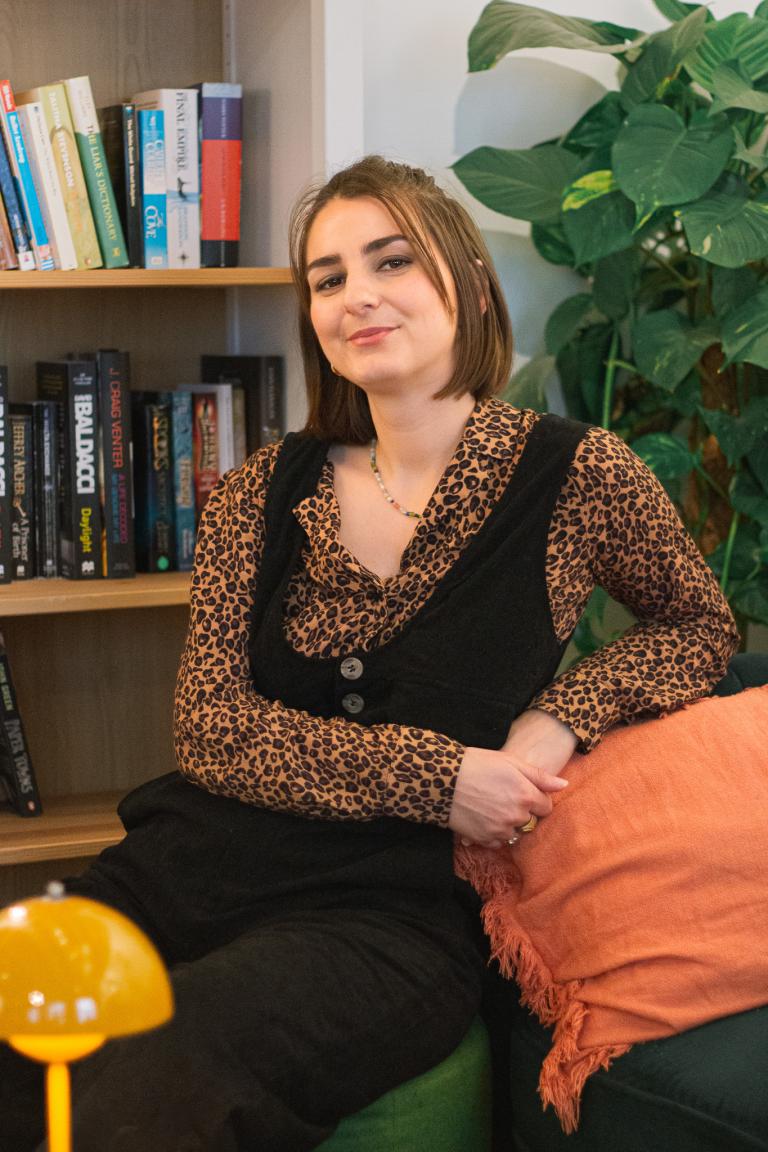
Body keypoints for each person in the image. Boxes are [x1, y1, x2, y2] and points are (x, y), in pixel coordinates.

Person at [0, 156, 738, 1152]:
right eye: (328, 277)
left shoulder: (577, 473)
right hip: (186, 867)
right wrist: (440, 777)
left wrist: (561, 714)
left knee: (164, 1062)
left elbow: (698, 626)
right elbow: (211, 730)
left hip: (386, 918)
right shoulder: (260, 488)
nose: (358, 296)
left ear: (471, 284)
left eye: (392, 261)